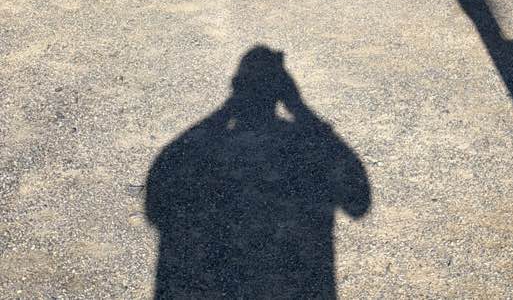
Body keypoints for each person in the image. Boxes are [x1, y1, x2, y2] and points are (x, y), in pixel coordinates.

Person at [146, 46, 371, 299]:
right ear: (283, 91)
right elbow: (359, 199)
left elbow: (160, 185)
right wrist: (300, 109)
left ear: (236, 87)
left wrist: (225, 111)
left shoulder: (206, 152)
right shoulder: (306, 148)